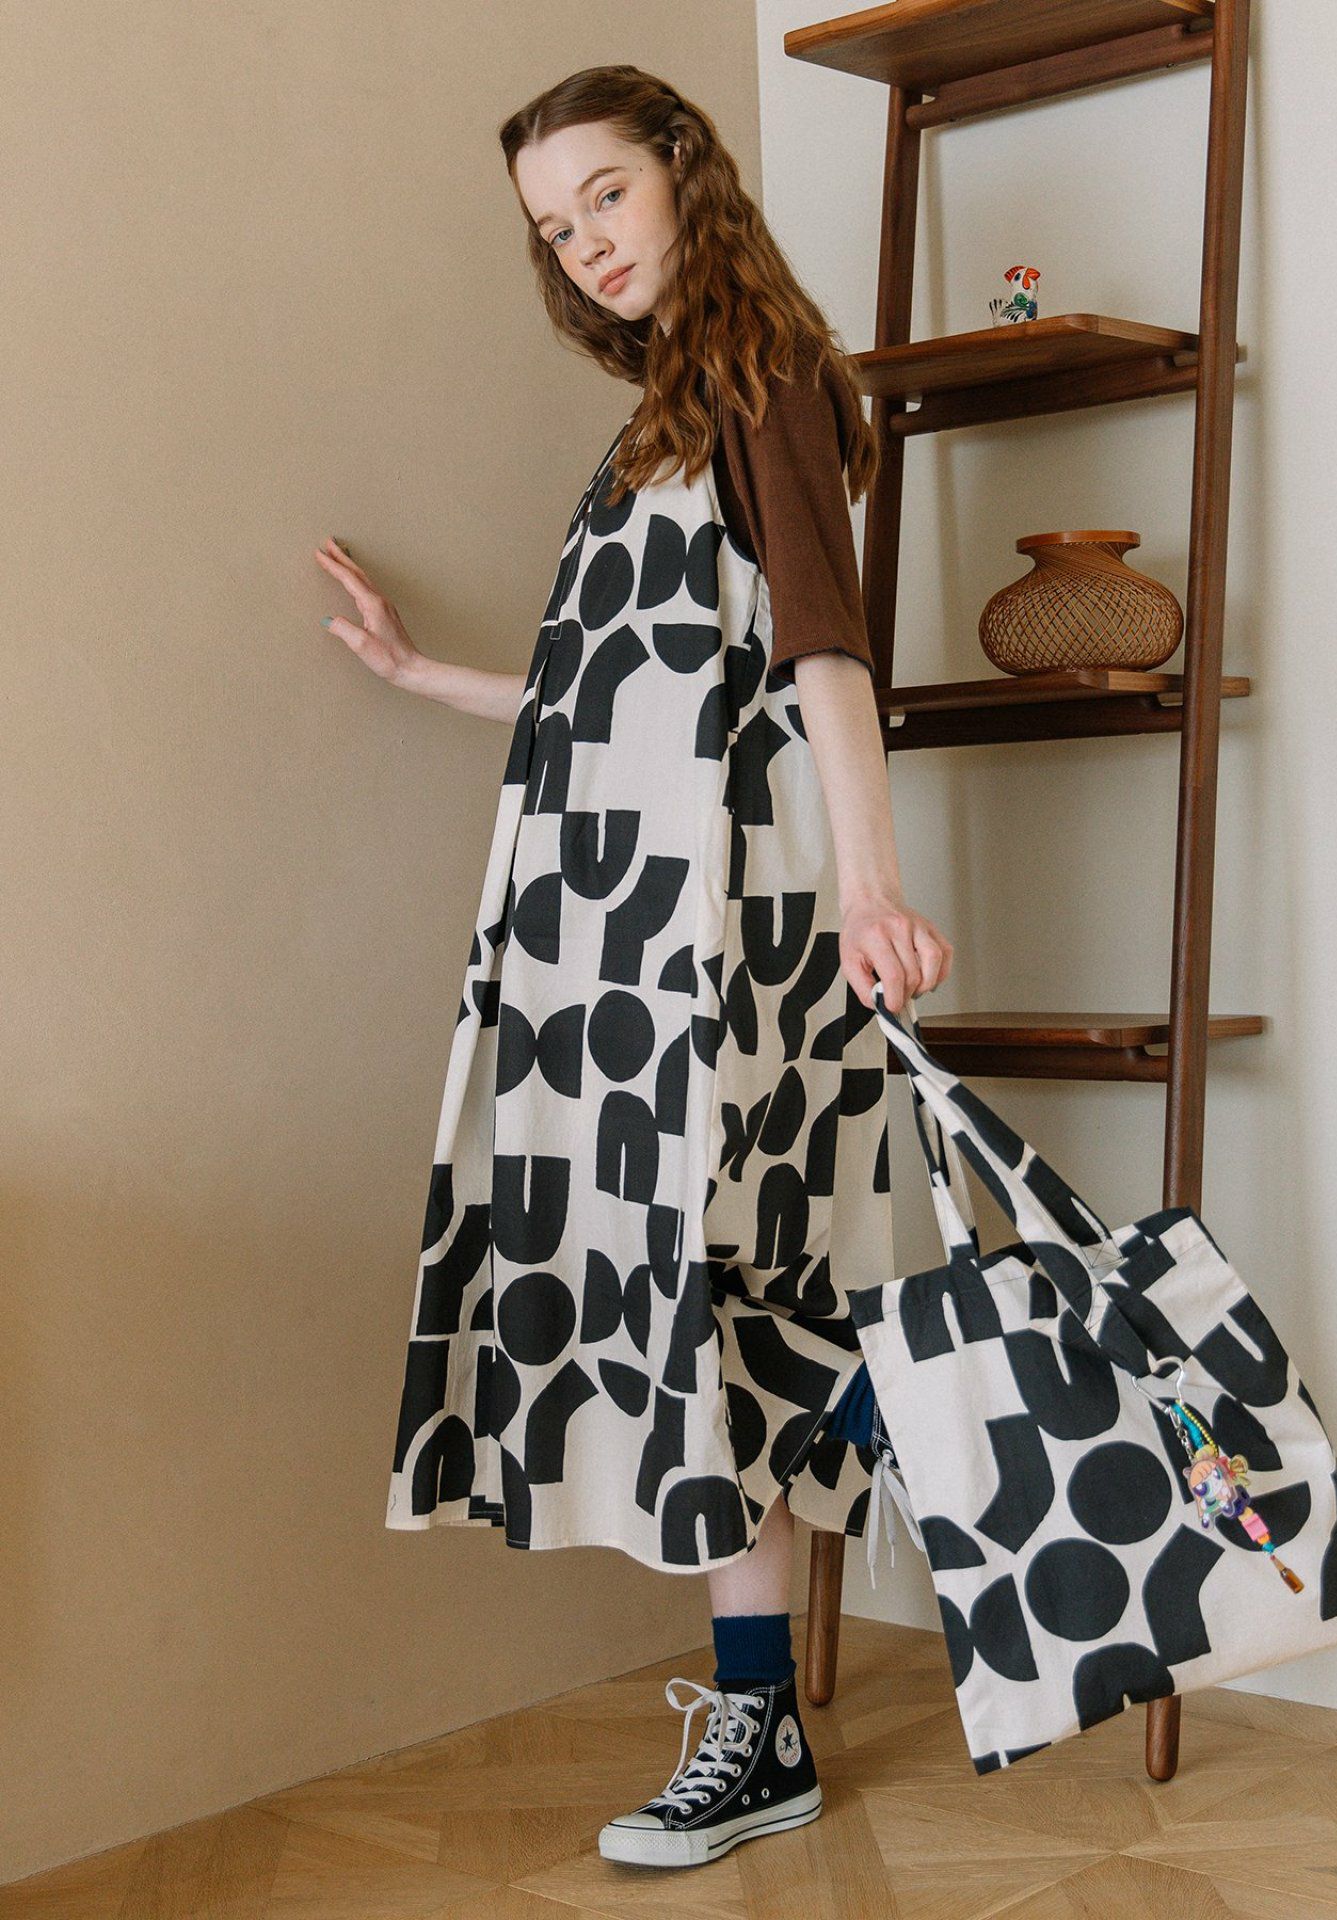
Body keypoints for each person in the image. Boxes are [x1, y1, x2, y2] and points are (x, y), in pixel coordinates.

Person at [314, 64, 952, 1870]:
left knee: (726, 1289)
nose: (584, 242)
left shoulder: (760, 377)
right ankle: (764, 1718)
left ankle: (804, 1694)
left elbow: (824, 654)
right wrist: (424, 677)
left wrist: (874, 891)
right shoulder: (664, 418)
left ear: (685, 167)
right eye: (552, 225)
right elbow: (618, 705)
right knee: (700, 1306)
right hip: (620, 936)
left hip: (719, 930)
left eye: (604, 193)